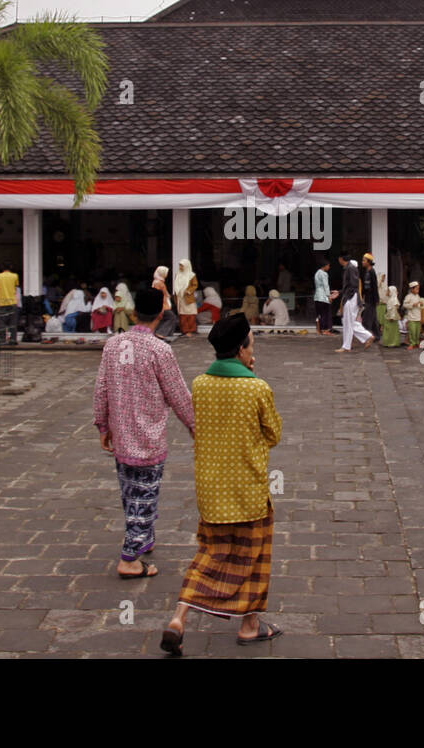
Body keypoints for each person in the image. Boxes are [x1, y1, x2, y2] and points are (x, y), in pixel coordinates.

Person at [160, 314, 282, 655]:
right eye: (251, 345)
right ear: (242, 350)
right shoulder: (256, 387)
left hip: (211, 491)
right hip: (248, 490)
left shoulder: (200, 383)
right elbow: (274, 433)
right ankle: (249, 625)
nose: (252, 351)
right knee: (254, 558)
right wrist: (253, 377)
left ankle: (179, 618)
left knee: (210, 555)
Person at [93, 287, 195, 580]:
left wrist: (102, 424)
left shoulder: (113, 345)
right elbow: (177, 393)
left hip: (122, 435)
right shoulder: (159, 349)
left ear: (135, 312)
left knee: (130, 493)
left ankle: (144, 536)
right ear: (161, 314)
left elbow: (100, 389)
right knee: (145, 496)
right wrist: (193, 424)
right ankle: (130, 557)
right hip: (148, 437)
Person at [334, 254, 373, 353]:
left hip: (351, 298)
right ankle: (367, 337)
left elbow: (353, 285)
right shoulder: (350, 268)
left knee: (348, 322)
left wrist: (346, 295)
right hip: (350, 297)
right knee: (349, 322)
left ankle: (347, 346)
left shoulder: (350, 269)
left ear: (341, 259)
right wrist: (339, 292)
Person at [0, 264, 20, 345]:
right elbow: (16, 286)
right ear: (11, 268)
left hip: (2, 302)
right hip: (12, 301)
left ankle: (2, 340)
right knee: (13, 321)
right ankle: (13, 339)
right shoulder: (15, 276)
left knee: (2, 322)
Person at [174, 259, 198, 335]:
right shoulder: (177, 274)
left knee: (191, 314)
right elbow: (176, 285)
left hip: (188, 298)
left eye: (182, 265)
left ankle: (191, 330)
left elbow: (194, 285)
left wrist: (188, 291)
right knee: (182, 314)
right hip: (180, 298)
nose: (180, 267)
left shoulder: (191, 275)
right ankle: (185, 330)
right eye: (180, 265)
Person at [360, 253, 380, 340]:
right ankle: (377, 336)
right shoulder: (366, 272)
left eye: (364, 260)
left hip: (371, 299)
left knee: (366, 319)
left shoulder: (372, 272)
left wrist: (376, 299)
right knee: (373, 318)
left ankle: (365, 336)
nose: (362, 262)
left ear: (369, 262)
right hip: (367, 298)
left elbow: (374, 286)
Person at [313, 257, 332, 335]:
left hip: (317, 296)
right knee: (325, 313)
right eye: (328, 266)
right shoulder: (324, 274)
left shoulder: (317, 273)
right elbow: (326, 286)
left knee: (319, 314)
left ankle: (318, 329)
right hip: (323, 296)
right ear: (324, 266)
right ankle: (324, 330)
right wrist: (329, 296)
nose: (329, 267)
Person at [403, 281, 423, 348]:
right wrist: (412, 305)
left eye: (418, 289)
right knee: (412, 331)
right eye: (416, 289)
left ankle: (417, 342)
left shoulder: (418, 296)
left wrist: (420, 304)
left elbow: (419, 305)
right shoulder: (408, 296)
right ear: (412, 289)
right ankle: (412, 343)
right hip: (411, 317)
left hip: (418, 316)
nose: (418, 290)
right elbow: (405, 305)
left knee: (417, 332)